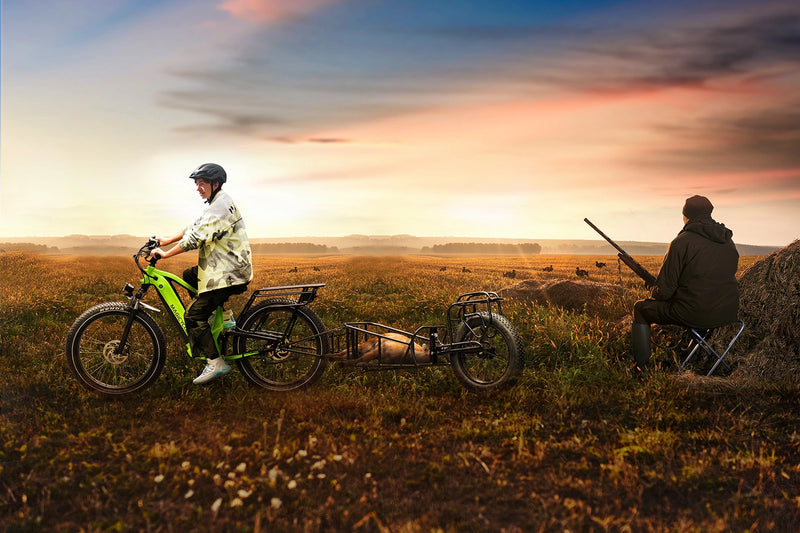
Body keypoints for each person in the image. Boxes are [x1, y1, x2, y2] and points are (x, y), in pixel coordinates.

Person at [152, 163, 253, 384]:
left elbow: (195, 238)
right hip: (223, 267)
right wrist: (167, 240)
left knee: (193, 316)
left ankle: (216, 363)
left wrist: (165, 255)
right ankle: (223, 317)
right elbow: (195, 225)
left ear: (215, 184)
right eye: (197, 184)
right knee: (190, 275)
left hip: (228, 273)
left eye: (202, 183)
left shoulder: (220, 205)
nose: (198, 188)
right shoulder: (217, 202)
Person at [632, 195, 739, 371]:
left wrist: (653, 288)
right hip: (727, 314)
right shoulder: (728, 241)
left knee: (640, 308)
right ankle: (691, 353)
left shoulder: (681, 242)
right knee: (696, 304)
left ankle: (640, 366)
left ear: (686, 216)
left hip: (695, 314)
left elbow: (664, 293)